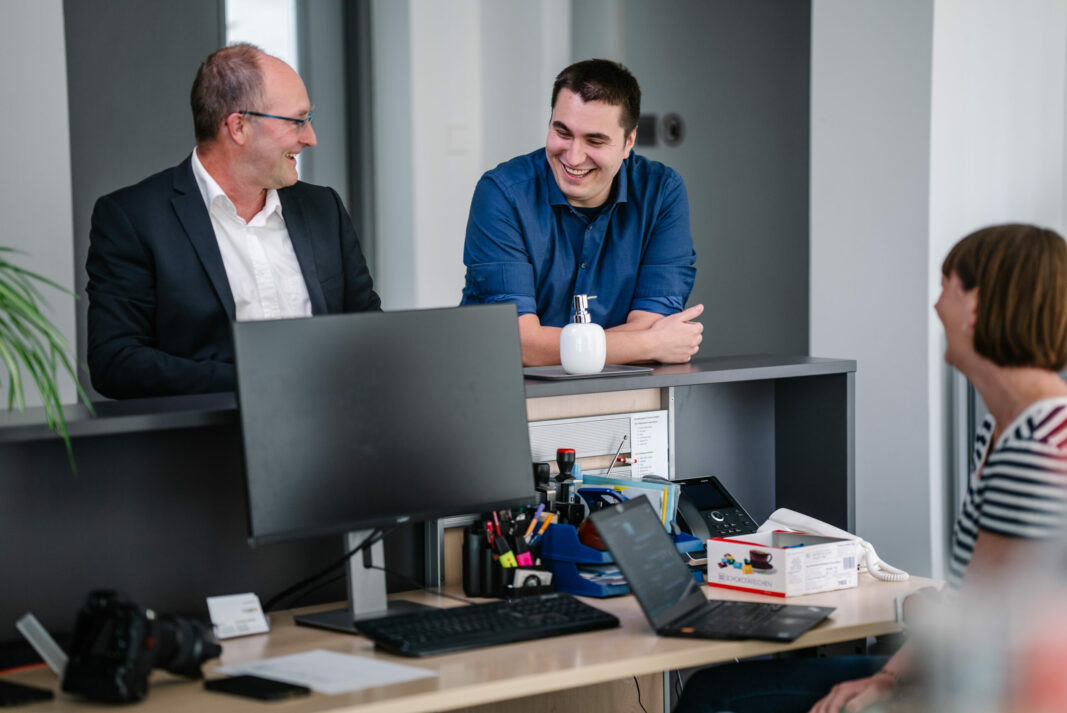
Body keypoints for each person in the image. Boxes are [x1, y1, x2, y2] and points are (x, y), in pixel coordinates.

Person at [674, 223, 1067, 713]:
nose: (936, 305)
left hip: (994, 693)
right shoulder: (1004, 430)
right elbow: (981, 606)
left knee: (716, 697)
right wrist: (889, 674)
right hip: (963, 671)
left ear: (979, 307)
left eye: (947, 286)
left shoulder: (1036, 446)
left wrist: (894, 677)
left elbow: (991, 635)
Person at [86, 43, 380, 399]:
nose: (310, 138)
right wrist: (257, 380)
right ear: (238, 127)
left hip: (333, 438)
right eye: (297, 121)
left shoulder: (324, 208)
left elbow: (369, 331)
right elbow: (117, 363)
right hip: (209, 444)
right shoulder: (133, 218)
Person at [460, 59, 703, 366]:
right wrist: (650, 344)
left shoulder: (662, 192)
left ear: (629, 142)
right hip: (503, 391)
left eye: (594, 140)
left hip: (620, 392)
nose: (573, 157)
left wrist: (644, 339)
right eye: (562, 133)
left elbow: (652, 321)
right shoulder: (502, 193)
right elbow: (519, 345)